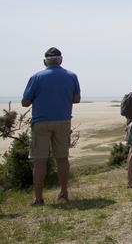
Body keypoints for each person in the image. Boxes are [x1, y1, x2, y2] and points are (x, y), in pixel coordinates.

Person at [21, 47, 81, 206]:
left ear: (45, 61)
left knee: (39, 160)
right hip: (63, 121)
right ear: (61, 60)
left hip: (41, 121)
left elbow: (25, 102)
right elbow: (76, 99)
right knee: (62, 158)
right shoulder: (71, 76)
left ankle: (38, 198)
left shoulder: (36, 77)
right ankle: (63, 192)